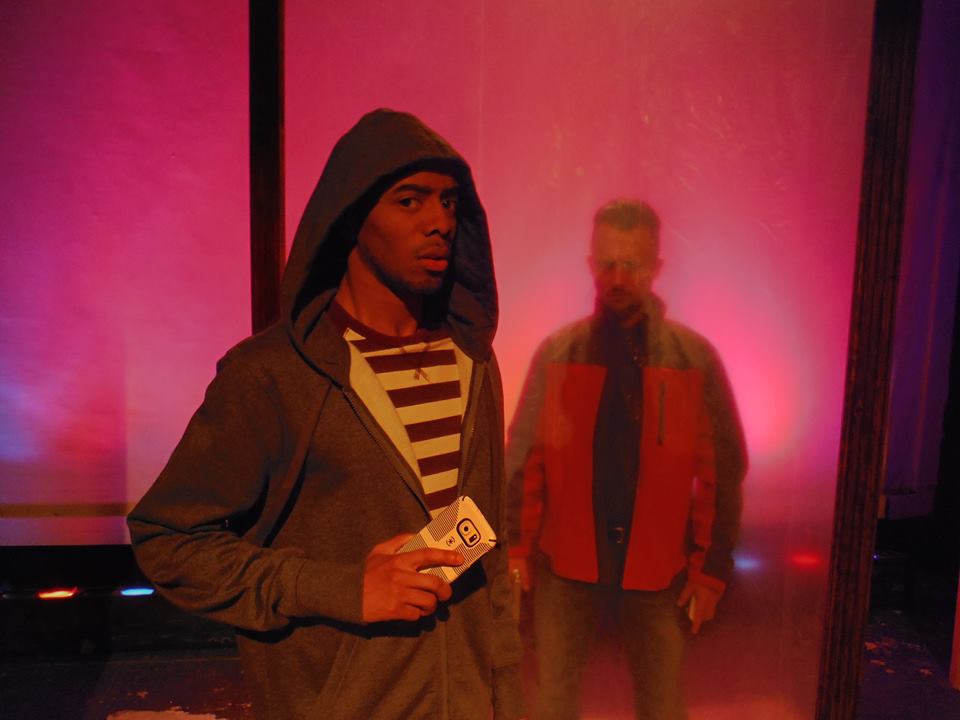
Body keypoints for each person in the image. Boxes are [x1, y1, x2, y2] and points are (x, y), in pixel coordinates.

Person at [128, 109, 523, 720]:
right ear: (351, 215)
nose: (440, 222)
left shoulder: (472, 361)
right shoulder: (274, 375)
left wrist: (507, 699)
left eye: (449, 202)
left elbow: (485, 552)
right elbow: (168, 539)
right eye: (410, 201)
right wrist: (338, 588)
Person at [506, 198, 747, 720]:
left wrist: (710, 573)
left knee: (660, 704)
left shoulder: (693, 359)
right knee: (551, 703)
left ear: (656, 266)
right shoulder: (558, 352)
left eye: (631, 264)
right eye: (607, 263)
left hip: (657, 571)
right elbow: (525, 458)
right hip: (567, 566)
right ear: (591, 263)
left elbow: (723, 472)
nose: (617, 278)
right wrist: (515, 549)